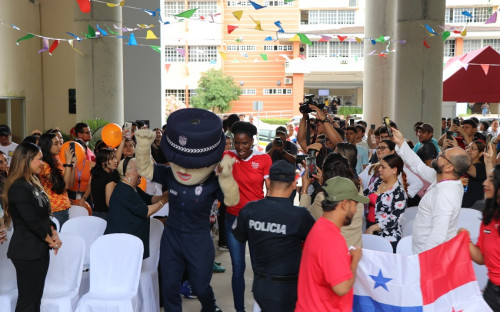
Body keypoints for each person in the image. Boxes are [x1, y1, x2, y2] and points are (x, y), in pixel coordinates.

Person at [134, 108, 239, 312]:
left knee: (200, 287)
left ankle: (211, 307)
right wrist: (143, 146)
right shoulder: (170, 175)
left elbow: (232, 200)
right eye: (180, 164)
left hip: (198, 240)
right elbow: (147, 170)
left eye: (193, 166)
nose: (184, 171)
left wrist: (227, 178)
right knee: (170, 287)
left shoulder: (211, 183)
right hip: (172, 238)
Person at [232, 160, 315, 311]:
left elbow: (239, 235)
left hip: (260, 287)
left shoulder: (250, 210)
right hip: (288, 289)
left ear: (268, 182)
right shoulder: (300, 216)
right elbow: (317, 243)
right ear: (293, 184)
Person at [2, 142, 62, 312]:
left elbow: (43, 215)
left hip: (39, 248)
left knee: (35, 299)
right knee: (28, 301)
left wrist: (54, 232)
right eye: (39, 159)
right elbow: (30, 221)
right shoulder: (18, 187)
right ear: (26, 160)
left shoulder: (33, 182)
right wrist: (50, 240)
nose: (42, 162)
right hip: (27, 251)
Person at [392, 127, 471, 254]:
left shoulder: (446, 193)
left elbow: (439, 235)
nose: (439, 154)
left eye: (443, 155)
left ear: (449, 167)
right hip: (423, 254)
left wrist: (425, 262)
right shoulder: (442, 179)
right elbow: (418, 166)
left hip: (428, 257)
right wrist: (401, 142)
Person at [295, 176, 368, 312]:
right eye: (355, 204)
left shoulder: (319, 227)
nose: (355, 210)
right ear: (344, 204)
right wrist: (355, 261)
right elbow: (341, 288)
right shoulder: (331, 238)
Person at [223, 121, 272, 312]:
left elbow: (270, 188)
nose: (240, 147)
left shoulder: (263, 158)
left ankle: (259, 307)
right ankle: (239, 309)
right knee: (238, 268)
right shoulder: (228, 156)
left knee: (259, 268)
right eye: (237, 143)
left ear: (252, 141)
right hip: (232, 219)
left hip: (256, 221)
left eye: (244, 143)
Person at [105, 157, 168, 258]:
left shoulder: (132, 188)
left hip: (127, 243)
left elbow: (150, 199)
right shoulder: (124, 191)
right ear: (127, 174)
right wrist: (163, 201)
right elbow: (146, 211)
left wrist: (165, 195)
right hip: (121, 246)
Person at [300, 153, 364, 248]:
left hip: (334, 253)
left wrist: (304, 189)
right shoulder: (358, 190)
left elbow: (303, 219)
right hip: (355, 253)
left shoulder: (322, 197)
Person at [460, 164, 500, 311]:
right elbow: (482, 258)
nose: (484, 183)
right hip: (492, 291)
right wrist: (465, 240)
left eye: (492, 179)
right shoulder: (489, 217)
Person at [363, 154, 408, 252]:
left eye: (383, 167)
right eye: (379, 166)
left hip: (388, 237)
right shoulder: (377, 182)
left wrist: (372, 228)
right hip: (369, 229)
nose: (379, 169)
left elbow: (394, 219)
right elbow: (364, 195)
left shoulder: (399, 192)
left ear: (394, 170)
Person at [37, 133, 76, 227]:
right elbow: (63, 186)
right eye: (56, 144)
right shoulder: (44, 164)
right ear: (47, 146)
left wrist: (72, 166)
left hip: (64, 206)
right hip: (54, 208)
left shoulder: (57, 159)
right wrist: (67, 164)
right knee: (58, 238)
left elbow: (70, 185)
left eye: (60, 143)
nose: (60, 146)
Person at [90, 148, 120, 220]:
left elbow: (92, 198)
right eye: (112, 159)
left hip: (95, 213)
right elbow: (109, 203)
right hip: (106, 215)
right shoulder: (109, 179)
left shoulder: (95, 176)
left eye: (115, 158)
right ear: (103, 163)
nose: (115, 161)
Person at [67, 139, 92, 215]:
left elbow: (90, 184)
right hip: (70, 197)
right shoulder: (67, 165)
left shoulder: (91, 165)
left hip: (86, 197)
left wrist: (84, 198)